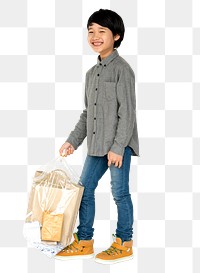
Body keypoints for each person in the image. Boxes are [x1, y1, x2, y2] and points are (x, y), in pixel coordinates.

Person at [55, 9, 139, 264]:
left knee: (119, 193)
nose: (95, 36)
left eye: (102, 31)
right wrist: (72, 140)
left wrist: (117, 146)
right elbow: (86, 114)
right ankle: (84, 241)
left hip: (117, 146)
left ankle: (124, 242)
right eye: (91, 31)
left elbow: (128, 112)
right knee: (84, 189)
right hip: (96, 145)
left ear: (117, 35)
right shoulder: (92, 74)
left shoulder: (122, 70)